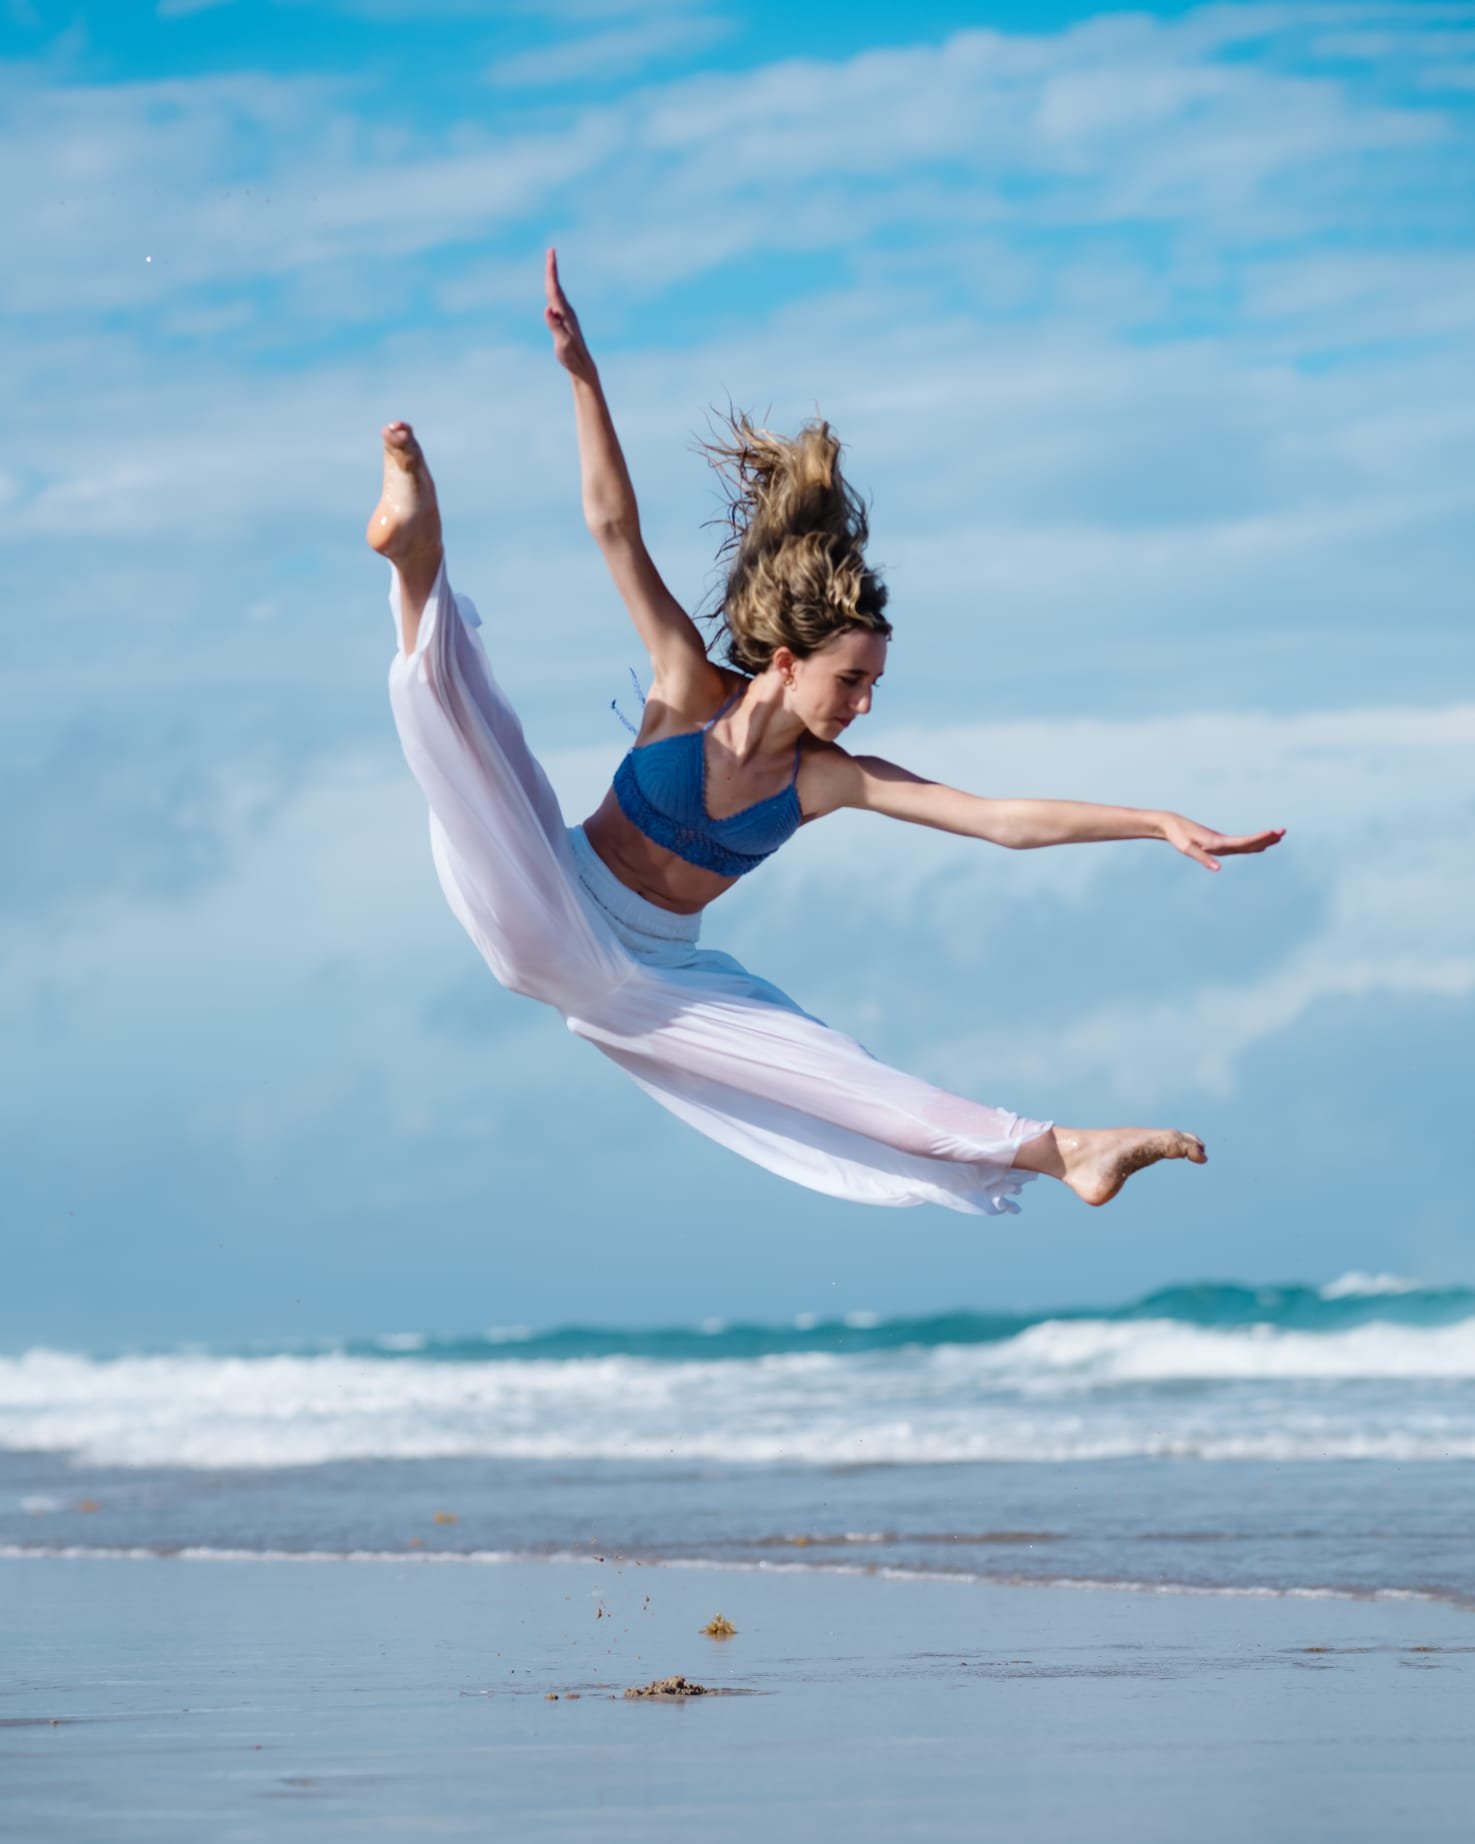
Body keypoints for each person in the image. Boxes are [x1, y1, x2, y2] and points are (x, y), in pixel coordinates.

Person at [370, 249, 1284, 1218]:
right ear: (783, 659)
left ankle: (1061, 1149)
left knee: (835, 1070)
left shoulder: (824, 780)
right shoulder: (686, 686)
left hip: (655, 975)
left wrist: (1155, 821)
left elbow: (999, 820)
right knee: (478, 755)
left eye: (873, 684)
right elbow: (612, 527)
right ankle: (415, 561)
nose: (862, 703)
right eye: (851, 680)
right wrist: (581, 376)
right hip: (551, 893)